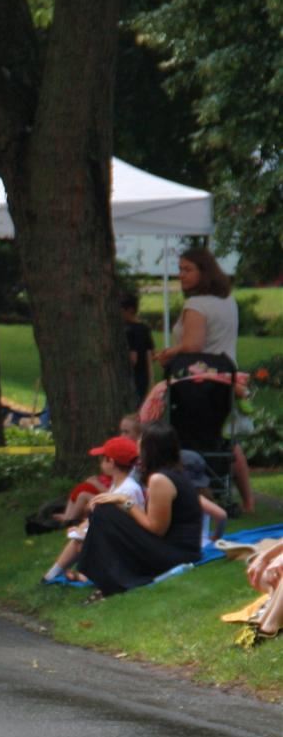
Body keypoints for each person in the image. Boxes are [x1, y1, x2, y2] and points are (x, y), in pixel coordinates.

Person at [155, 245, 251, 512]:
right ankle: (248, 501)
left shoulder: (196, 305)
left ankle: (190, 490)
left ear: (204, 271)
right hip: (227, 382)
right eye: (180, 269)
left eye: (187, 269)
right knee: (224, 441)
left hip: (197, 387)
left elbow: (193, 346)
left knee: (185, 436)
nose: (181, 275)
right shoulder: (227, 300)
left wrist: (168, 353)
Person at [77, 421, 204, 596]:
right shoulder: (174, 473)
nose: (137, 453)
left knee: (103, 513)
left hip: (175, 555)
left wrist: (125, 502)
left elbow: (156, 529)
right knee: (106, 510)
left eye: (140, 446)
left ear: (150, 450)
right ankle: (105, 573)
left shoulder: (160, 479)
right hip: (179, 549)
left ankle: (111, 579)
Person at [42, 435, 143, 587]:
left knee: (80, 543)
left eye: (103, 458)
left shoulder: (127, 489)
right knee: (79, 540)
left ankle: (59, 576)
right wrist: (83, 527)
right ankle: (55, 575)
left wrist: (87, 532)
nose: (100, 462)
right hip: (119, 540)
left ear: (112, 462)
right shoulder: (118, 485)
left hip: (125, 547)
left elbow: (122, 524)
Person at [120, 287, 154, 403]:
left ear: (129, 310)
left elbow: (133, 359)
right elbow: (149, 356)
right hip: (143, 378)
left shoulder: (128, 330)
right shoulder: (144, 329)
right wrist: (151, 381)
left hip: (130, 379)